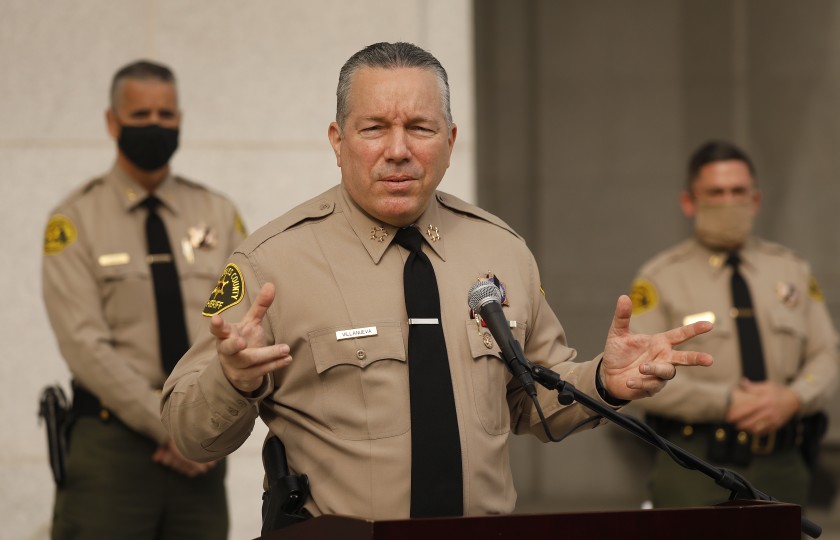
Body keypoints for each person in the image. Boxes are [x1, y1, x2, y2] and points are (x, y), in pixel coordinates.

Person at [161, 42, 713, 522]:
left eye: (419, 129)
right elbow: (190, 433)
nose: (397, 150)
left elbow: (535, 405)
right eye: (374, 128)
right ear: (337, 139)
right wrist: (233, 379)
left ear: (449, 140)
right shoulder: (270, 264)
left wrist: (604, 381)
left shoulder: (502, 250)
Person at [42, 60, 246, 539]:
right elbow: (83, 343)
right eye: (140, 116)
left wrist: (198, 423)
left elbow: (238, 322)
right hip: (112, 450)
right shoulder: (75, 220)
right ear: (112, 122)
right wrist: (170, 424)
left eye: (166, 115)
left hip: (201, 450)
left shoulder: (217, 212)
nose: (155, 126)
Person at [629, 140, 839, 508]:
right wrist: (725, 403)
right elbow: (637, 374)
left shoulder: (791, 269)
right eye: (715, 192)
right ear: (689, 202)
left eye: (738, 191)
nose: (729, 202)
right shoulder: (660, 277)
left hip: (783, 463)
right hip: (695, 466)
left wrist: (793, 397)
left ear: (755, 200)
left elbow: (826, 354)